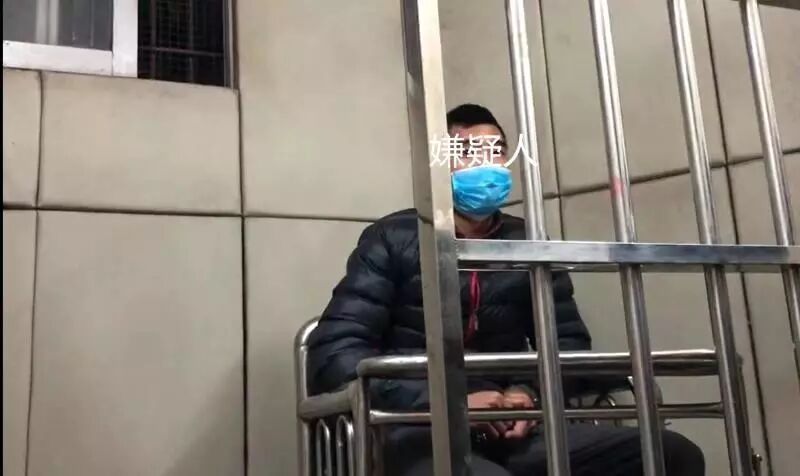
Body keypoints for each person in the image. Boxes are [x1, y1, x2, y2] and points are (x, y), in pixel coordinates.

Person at [307, 103, 705, 476]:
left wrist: (526, 394)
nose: (486, 162)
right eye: (467, 151)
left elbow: (568, 346)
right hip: (418, 427)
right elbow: (334, 356)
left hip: (515, 427)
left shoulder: (527, 242)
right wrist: (445, 401)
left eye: (496, 150)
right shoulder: (392, 238)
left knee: (671, 453)